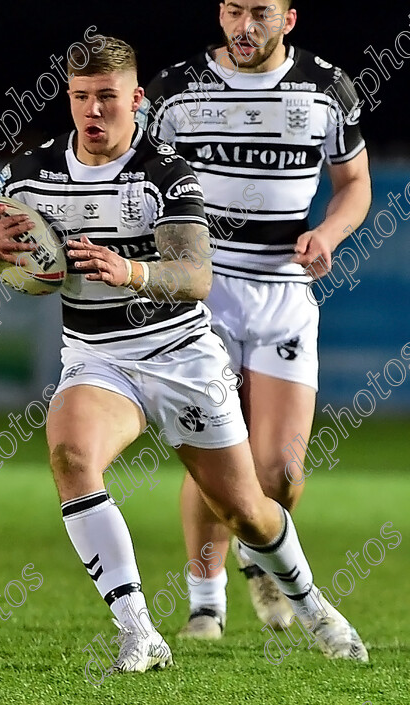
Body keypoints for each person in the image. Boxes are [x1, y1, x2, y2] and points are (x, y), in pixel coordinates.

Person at [0, 35, 367, 672]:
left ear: (136, 99)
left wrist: (130, 271)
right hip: (98, 359)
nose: (93, 111)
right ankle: (138, 631)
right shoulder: (27, 179)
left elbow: (195, 277)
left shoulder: (165, 173)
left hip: (181, 357)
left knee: (249, 510)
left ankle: (310, 604)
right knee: (70, 452)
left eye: (108, 98)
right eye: (82, 97)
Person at [143, 0, 372, 638]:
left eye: (261, 13)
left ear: (289, 19)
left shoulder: (326, 88)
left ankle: (260, 553)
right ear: (220, 13)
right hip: (202, 295)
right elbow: (138, 178)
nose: (246, 27)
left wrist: (328, 231)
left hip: (282, 296)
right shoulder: (175, 91)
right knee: (218, 455)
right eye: (235, 11)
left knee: (278, 473)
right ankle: (204, 604)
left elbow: (354, 183)